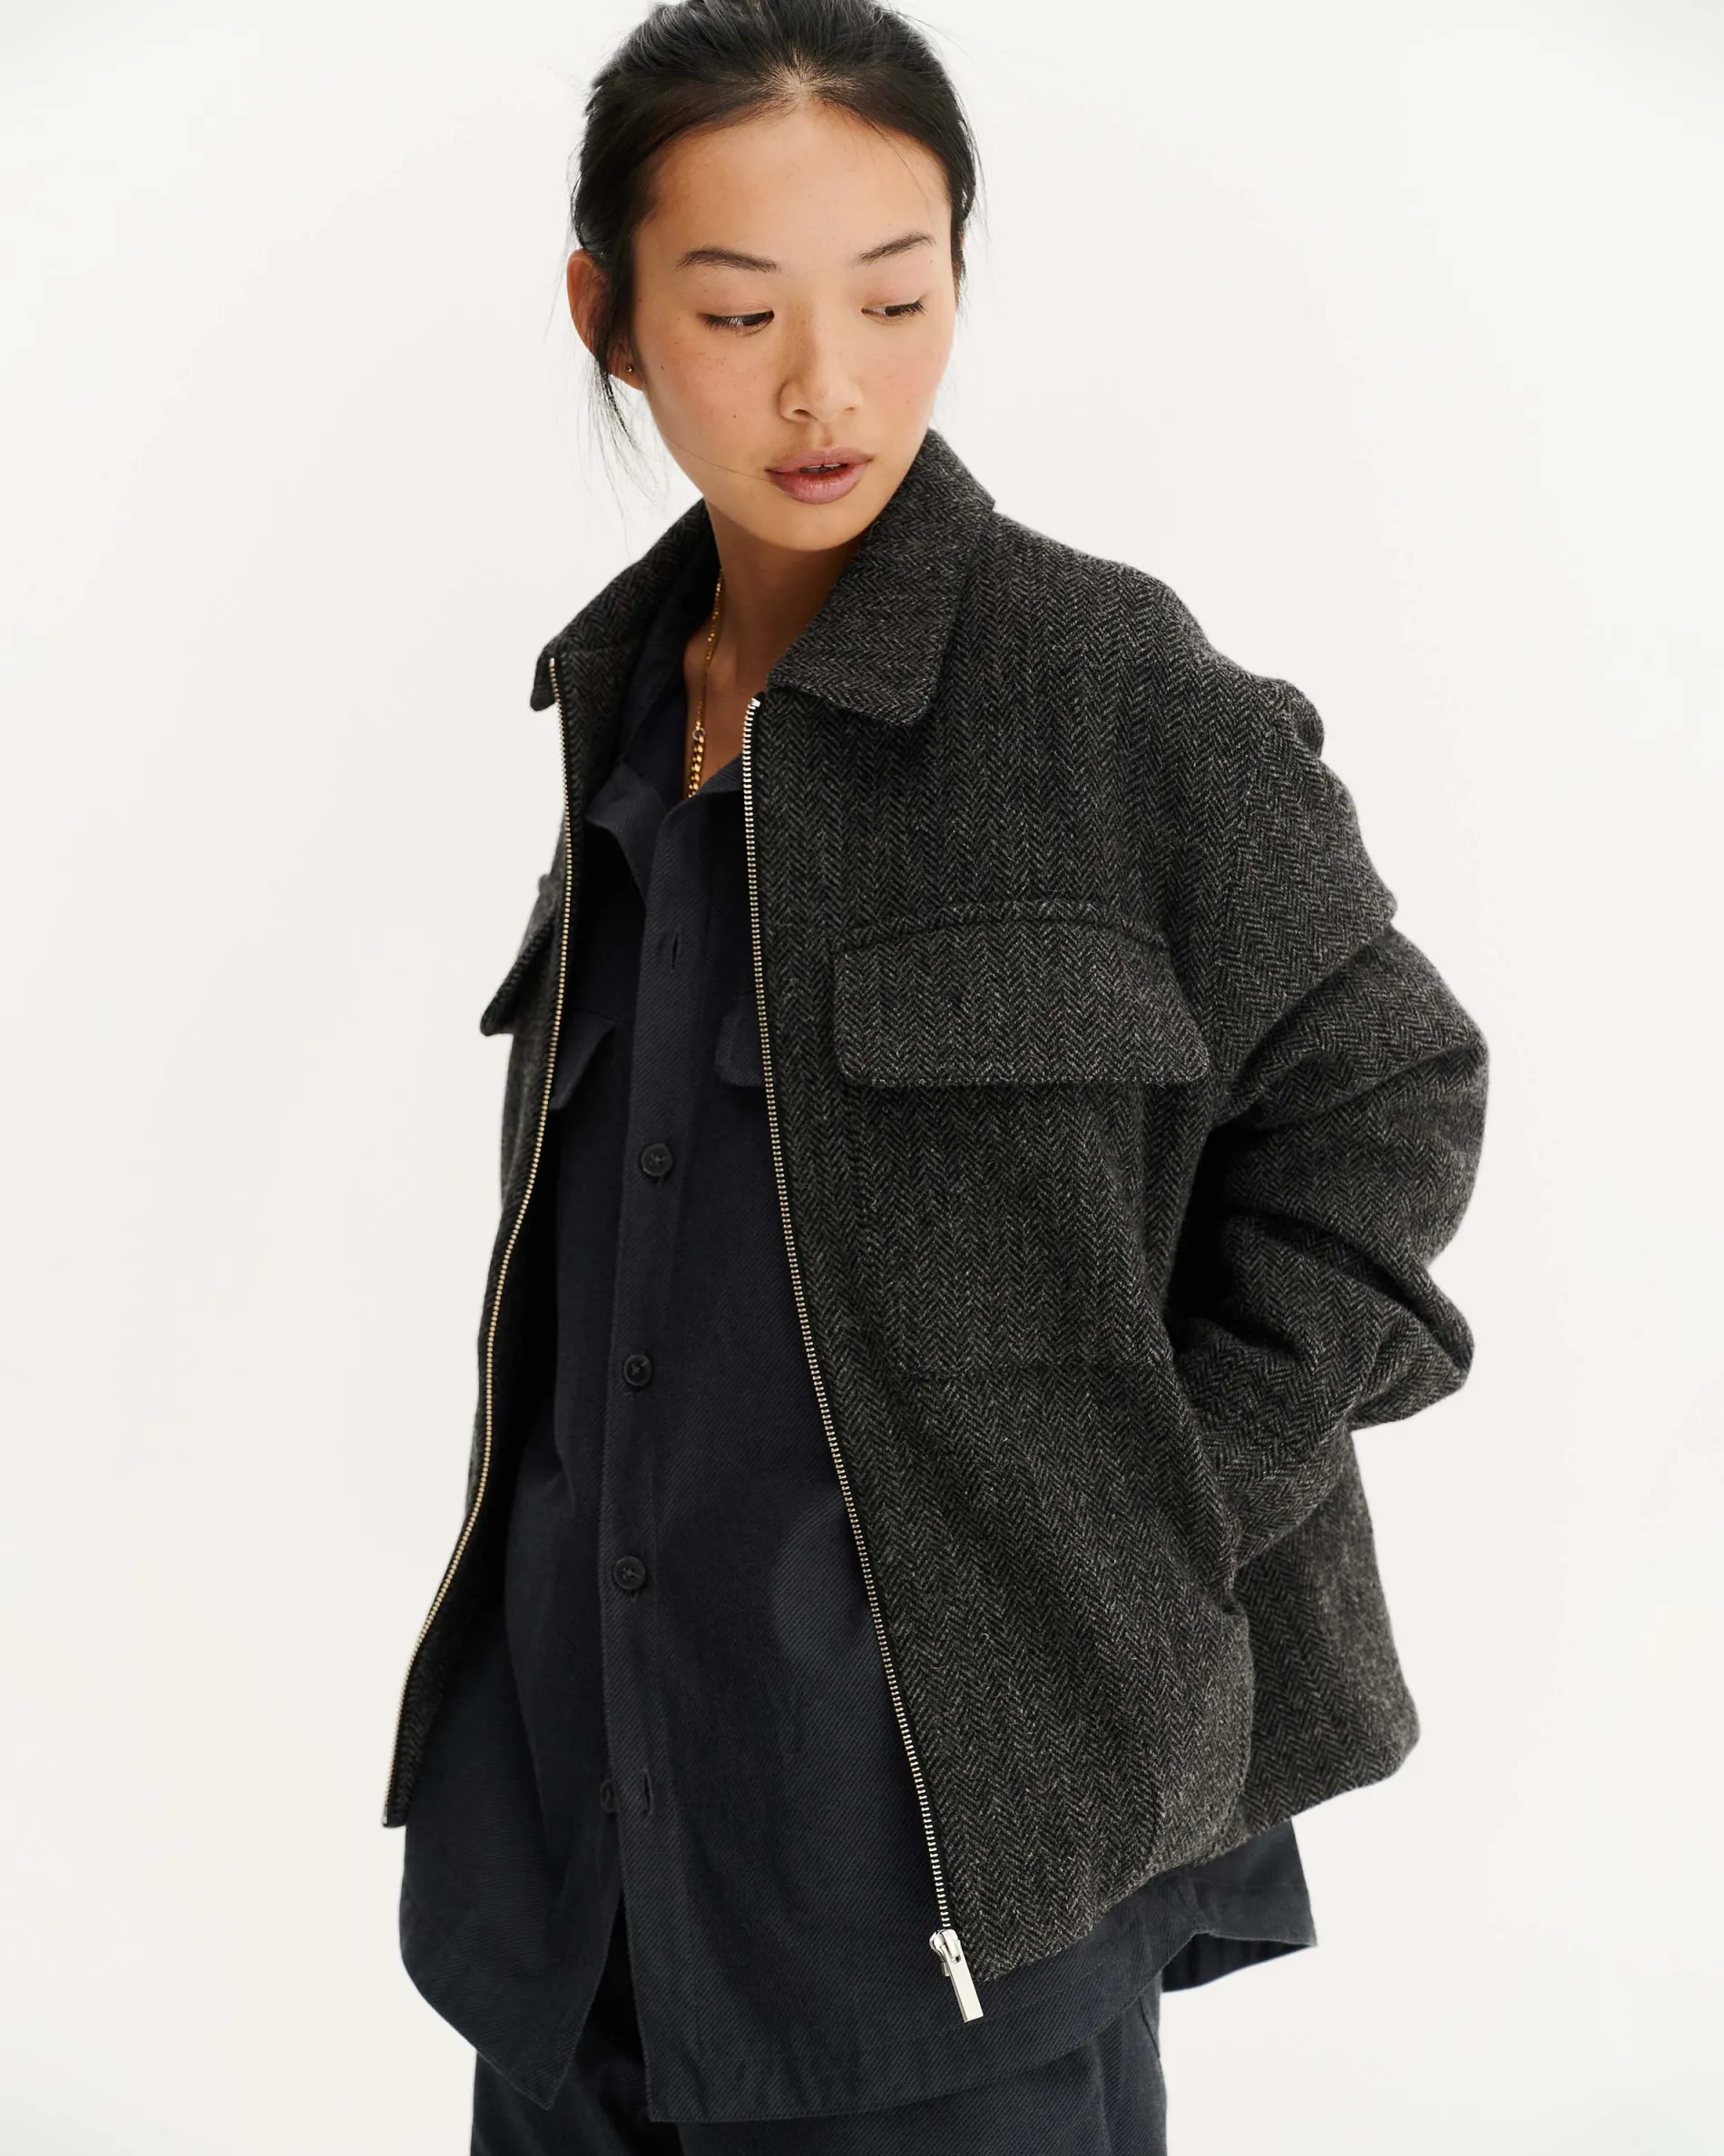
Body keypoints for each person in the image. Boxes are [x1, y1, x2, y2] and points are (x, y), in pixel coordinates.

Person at [380, 3, 1491, 2149]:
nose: (828, 386)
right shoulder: (623, 704)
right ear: (608, 317)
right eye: (739, 313)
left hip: (934, 1903)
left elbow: (1387, 1102)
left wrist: (1143, 1513)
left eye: (894, 299)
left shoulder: (1105, 688)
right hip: (575, 1892)